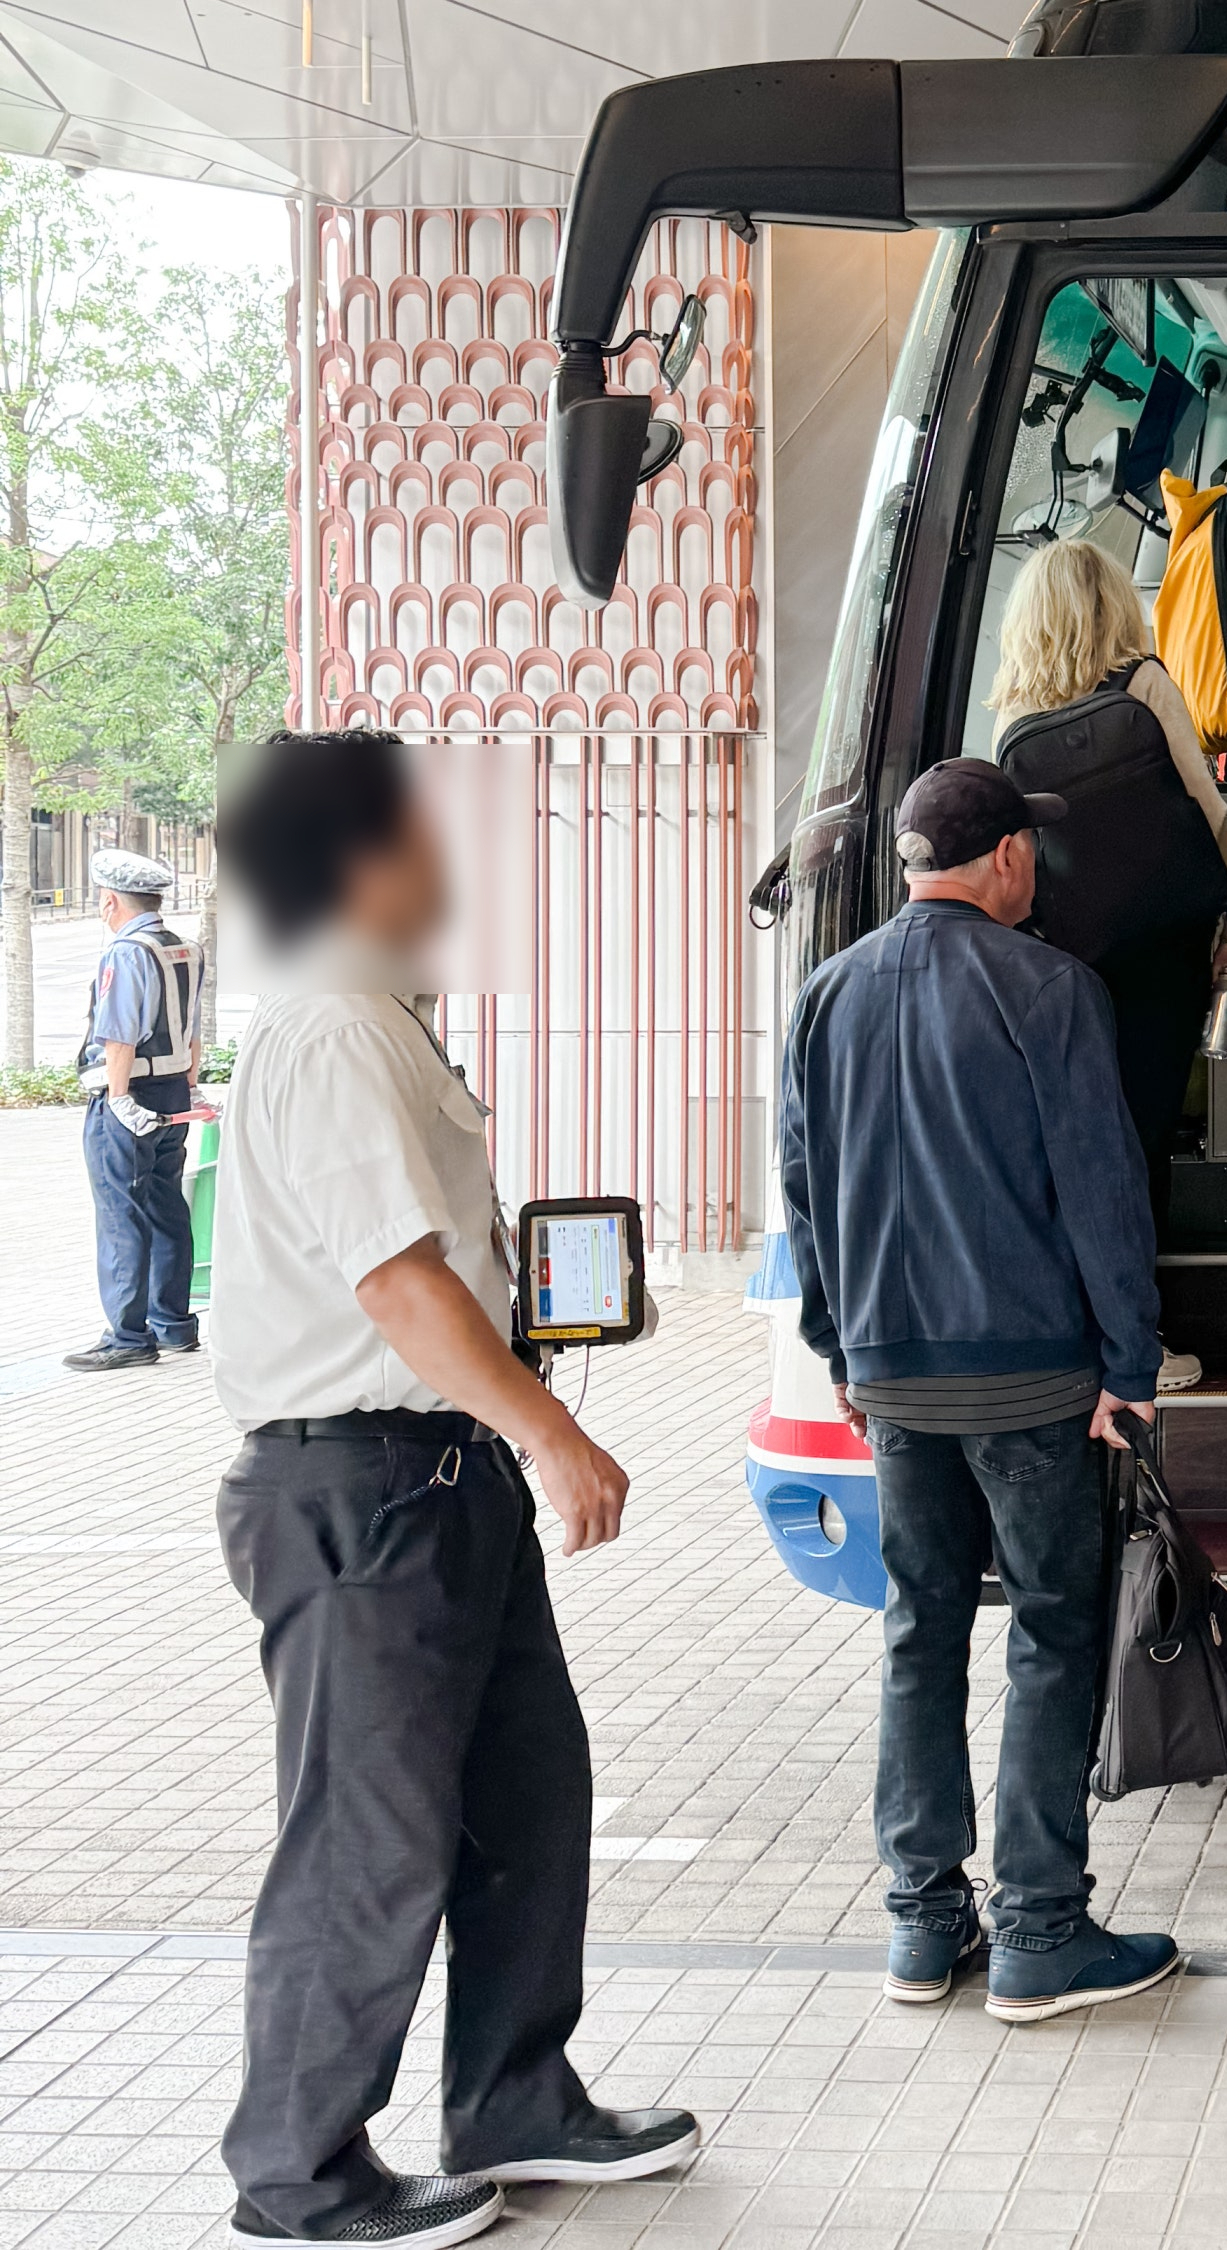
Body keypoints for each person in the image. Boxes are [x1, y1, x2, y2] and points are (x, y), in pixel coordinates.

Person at [208, 730, 697, 2250]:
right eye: (426, 832)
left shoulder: (382, 1014)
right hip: (363, 1492)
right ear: (367, 855)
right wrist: (553, 1431)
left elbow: (434, 1275)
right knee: (371, 1837)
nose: (449, 862)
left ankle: (513, 2100)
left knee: (527, 1797)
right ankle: (298, 2171)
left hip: (432, 1480)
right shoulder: (336, 1024)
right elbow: (397, 1284)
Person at [776, 756, 1183, 2023]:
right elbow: (1102, 1190)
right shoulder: (1049, 987)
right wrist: (1129, 1364)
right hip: (1030, 1380)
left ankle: (922, 1923)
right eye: (1031, 851)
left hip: (894, 1380)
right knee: (1052, 1631)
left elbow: (803, 1193)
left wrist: (840, 1351)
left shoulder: (826, 994)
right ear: (1007, 856)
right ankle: (1041, 1933)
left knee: (921, 1628)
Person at [985, 536, 1227, 1388]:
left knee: (1071, 1139)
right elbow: (1209, 812)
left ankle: (1069, 1326)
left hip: (1060, 961)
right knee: (1139, 1141)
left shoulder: (1014, 715)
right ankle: (1138, 1342)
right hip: (1160, 954)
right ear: (1114, 606)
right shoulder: (1144, 684)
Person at [62, 847, 205, 1372]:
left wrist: (119, 1098)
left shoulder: (125, 953)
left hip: (130, 1097)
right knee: (167, 1205)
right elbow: (193, 1029)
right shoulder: (186, 950)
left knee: (121, 1211)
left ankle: (127, 1336)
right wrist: (190, 1085)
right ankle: (173, 1325)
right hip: (172, 1093)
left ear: (110, 902)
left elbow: (118, 1035)